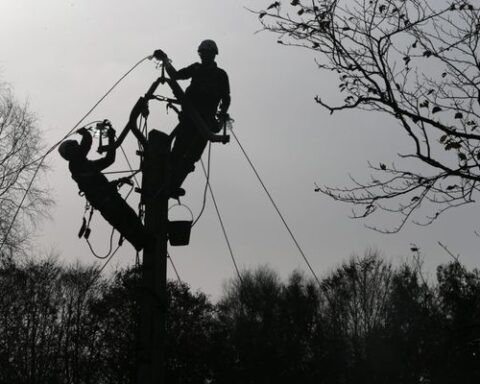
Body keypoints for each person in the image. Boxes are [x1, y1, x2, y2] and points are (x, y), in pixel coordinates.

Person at [58, 117, 149, 251]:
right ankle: (144, 242)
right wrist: (86, 134)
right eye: (73, 146)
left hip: (109, 198)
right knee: (126, 222)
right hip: (106, 202)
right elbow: (85, 146)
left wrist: (111, 138)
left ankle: (144, 241)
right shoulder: (75, 165)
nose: (77, 146)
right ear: (69, 154)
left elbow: (109, 160)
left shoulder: (86, 165)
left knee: (130, 218)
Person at [155, 39, 231, 197]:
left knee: (192, 157)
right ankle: (163, 181)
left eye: (207, 54)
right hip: (190, 118)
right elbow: (176, 75)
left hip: (206, 122)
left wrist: (223, 112)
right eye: (202, 53)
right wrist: (165, 60)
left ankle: (173, 184)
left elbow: (226, 97)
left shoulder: (221, 75)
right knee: (178, 152)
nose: (204, 56)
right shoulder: (195, 68)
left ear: (214, 55)